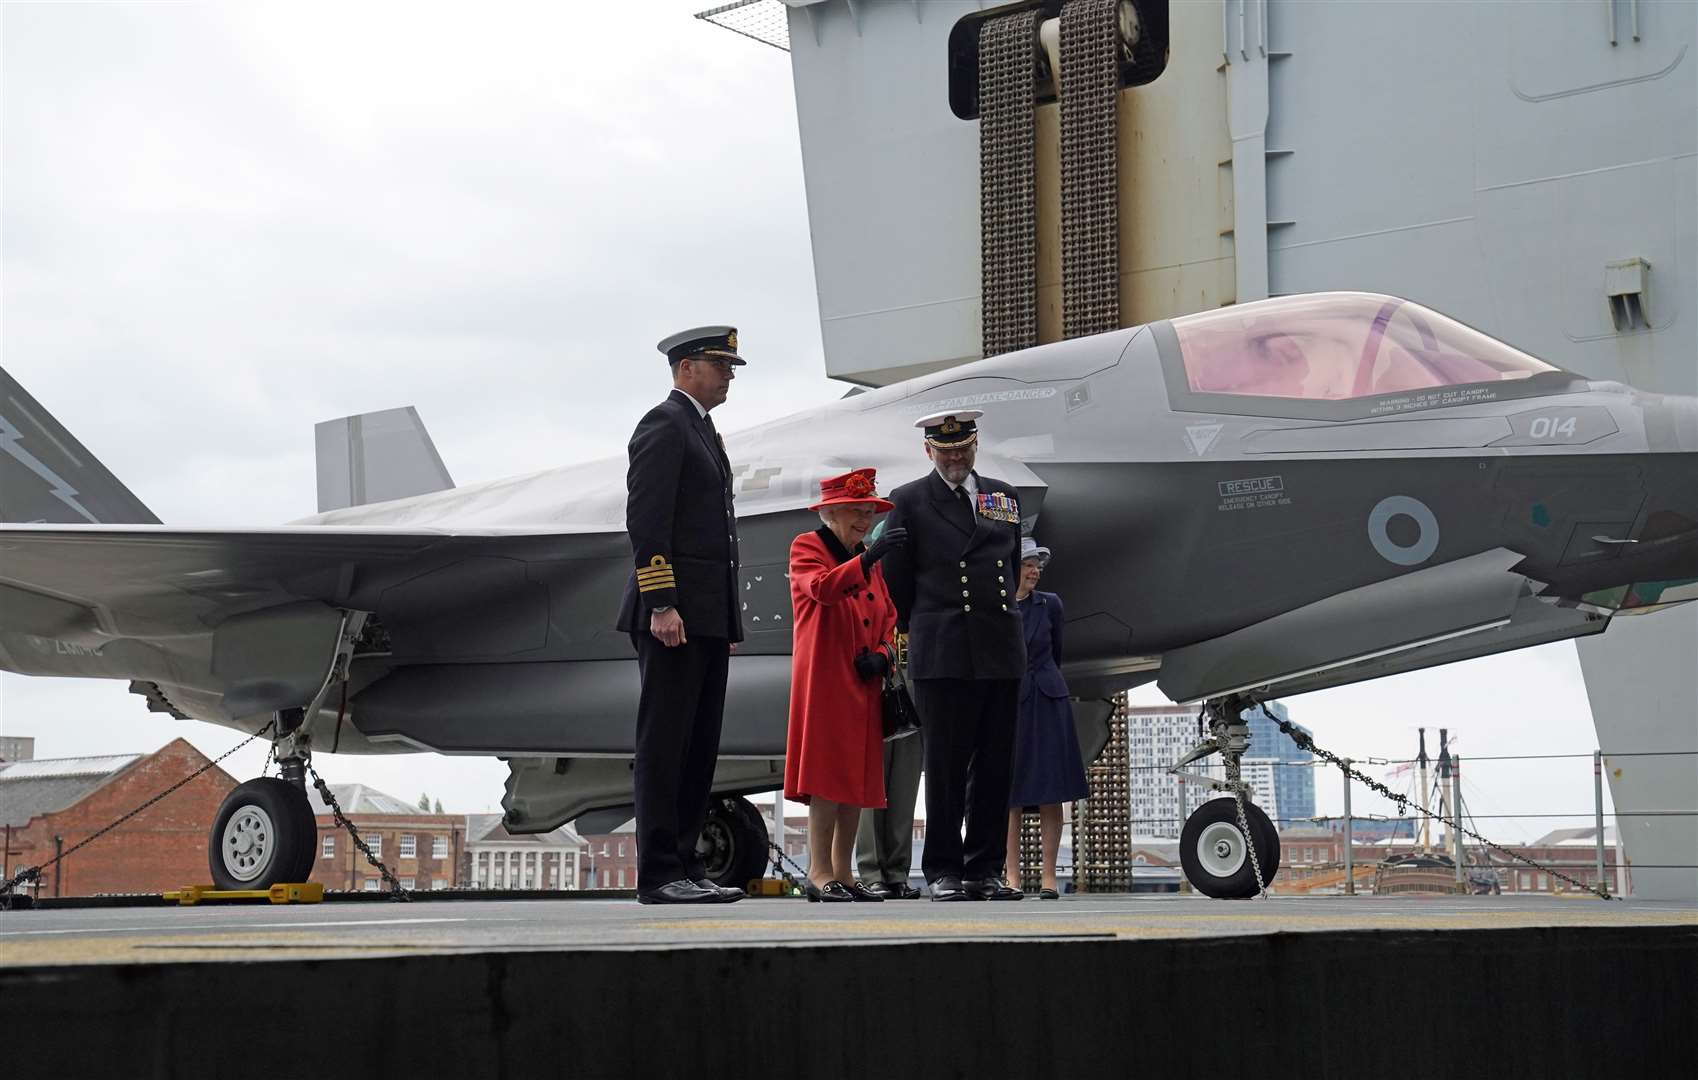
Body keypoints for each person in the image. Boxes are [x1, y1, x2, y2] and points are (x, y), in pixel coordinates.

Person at [616, 325, 747, 906]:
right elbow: (648, 521)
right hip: (674, 614)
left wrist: (725, 623)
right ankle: (659, 873)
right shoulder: (664, 424)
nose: (729, 377)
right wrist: (662, 603)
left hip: (706, 618)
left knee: (698, 746)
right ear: (687, 367)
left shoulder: (703, 430)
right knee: (666, 744)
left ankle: (686, 865)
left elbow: (717, 535)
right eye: (721, 365)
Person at [881, 409, 1026, 902]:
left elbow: (1007, 566)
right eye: (945, 451)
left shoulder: (1003, 497)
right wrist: (918, 634)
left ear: (976, 445)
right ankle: (943, 869)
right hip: (943, 649)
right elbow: (897, 583)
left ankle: (984, 870)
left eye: (962, 448)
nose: (955, 457)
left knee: (994, 765)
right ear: (929, 452)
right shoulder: (909, 501)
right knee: (944, 765)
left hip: (999, 647)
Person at [784, 468, 906, 903]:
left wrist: (884, 655)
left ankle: (844, 872)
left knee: (856, 779)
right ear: (831, 512)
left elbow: (889, 617)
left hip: (864, 680)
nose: (864, 519)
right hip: (826, 679)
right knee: (827, 776)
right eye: (856, 511)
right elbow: (820, 589)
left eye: (869, 511)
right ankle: (819, 872)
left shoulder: (864, 555)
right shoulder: (808, 547)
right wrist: (868, 560)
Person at [1003, 537, 1088, 900]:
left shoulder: (1051, 605)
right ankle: (1012, 876)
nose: (1035, 569)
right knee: (1011, 795)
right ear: (1012, 568)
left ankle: (1049, 877)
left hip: (1049, 698)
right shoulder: (999, 606)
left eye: (1038, 563)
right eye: (1027, 563)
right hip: (1012, 702)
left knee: (1053, 791)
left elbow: (1057, 651)